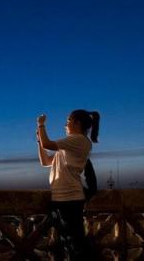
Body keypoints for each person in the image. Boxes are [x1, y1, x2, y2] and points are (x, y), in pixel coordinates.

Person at [36, 110, 100, 260]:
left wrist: (41, 124)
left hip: (70, 199)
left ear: (77, 123)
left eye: (68, 121)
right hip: (61, 198)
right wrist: (39, 142)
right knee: (68, 242)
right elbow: (45, 162)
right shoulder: (69, 145)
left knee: (75, 244)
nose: (65, 124)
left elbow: (48, 144)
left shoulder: (79, 140)